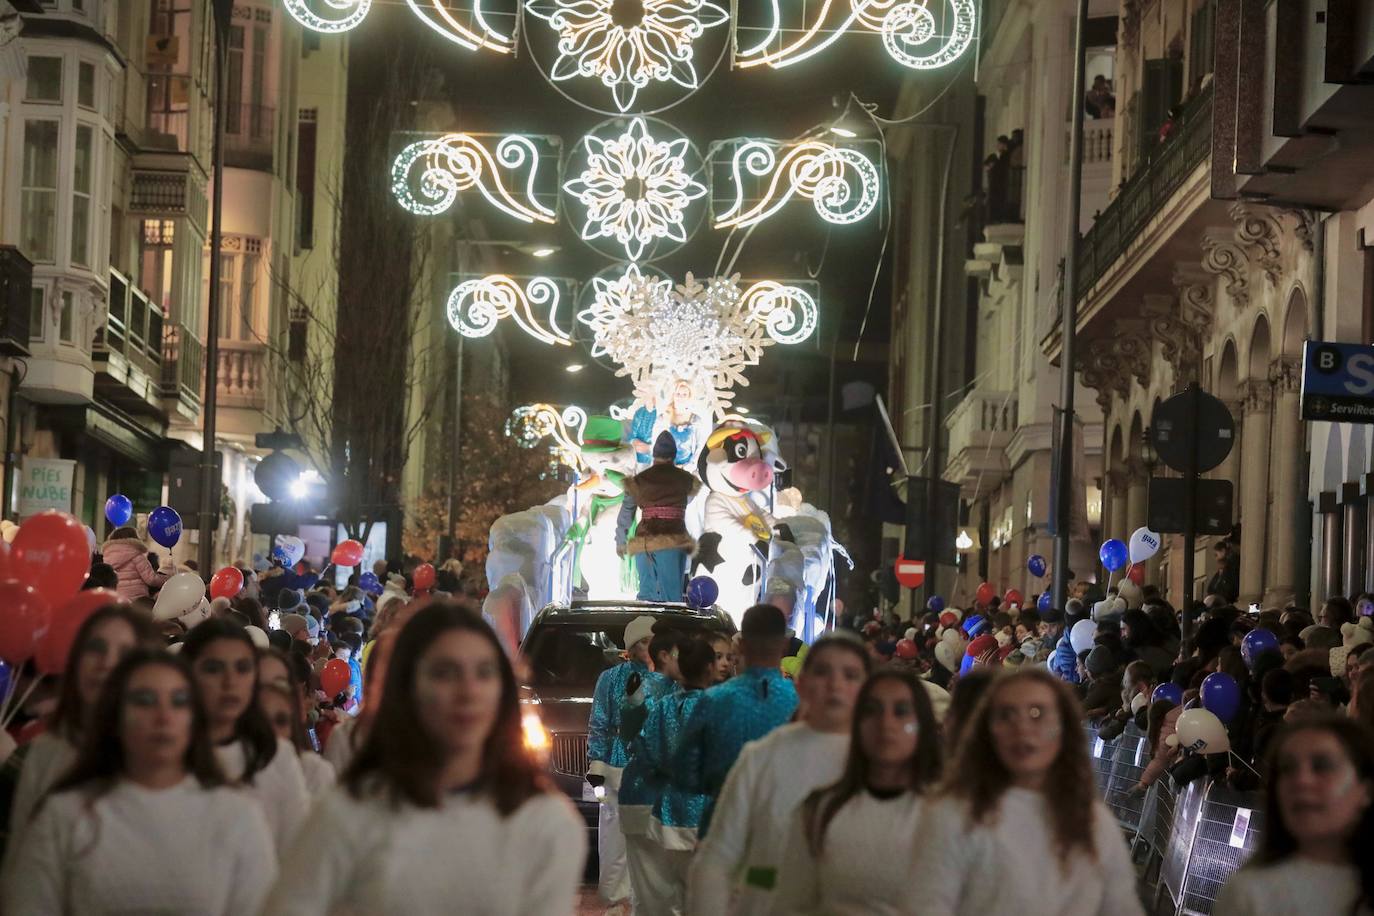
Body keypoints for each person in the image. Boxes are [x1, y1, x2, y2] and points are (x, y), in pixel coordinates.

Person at [262, 601, 585, 914]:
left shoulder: (546, 823)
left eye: (484, 672)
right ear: (407, 686)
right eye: (445, 673)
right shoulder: (351, 813)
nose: (468, 691)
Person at [0, 649, 276, 914]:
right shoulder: (66, 815)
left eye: (179, 701)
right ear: (114, 716)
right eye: (145, 700)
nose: (163, 717)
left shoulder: (237, 815)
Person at [911, 668, 1144, 915]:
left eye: (1037, 715)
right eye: (1007, 716)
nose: (1022, 729)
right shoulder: (948, 813)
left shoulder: (1091, 821)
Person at [685, 630, 866, 916]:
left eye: (850, 675)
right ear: (802, 684)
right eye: (822, 672)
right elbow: (719, 856)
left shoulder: (882, 765)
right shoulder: (762, 758)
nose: (835, 684)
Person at [2, 604, 159, 867]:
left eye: (125, 652)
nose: (107, 662)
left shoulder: (166, 759)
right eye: (96, 648)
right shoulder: (34, 756)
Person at [775, 668, 942, 915]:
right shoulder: (819, 810)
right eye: (872, 711)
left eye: (902, 712)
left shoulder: (951, 814)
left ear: (923, 725)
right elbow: (790, 901)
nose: (887, 723)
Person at [1214, 717, 1374, 915]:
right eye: (1288, 769)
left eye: (1323, 766)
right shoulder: (1248, 894)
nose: (1302, 780)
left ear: (1365, 788)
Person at [180, 619, 309, 854]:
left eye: (242, 668)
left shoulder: (277, 756)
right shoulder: (169, 756)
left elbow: (296, 850)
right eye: (213, 669)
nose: (230, 682)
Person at [623, 638, 716, 914]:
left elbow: (642, 747)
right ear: (710, 668)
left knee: (669, 898)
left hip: (668, 815)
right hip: (708, 819)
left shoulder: (664, 707)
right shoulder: (718, 706)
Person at [586, 613, 658, 910]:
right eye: (644, 641)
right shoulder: (611, 679)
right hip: (618, 768)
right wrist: (597, 765)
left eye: (654, 640)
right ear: (631, 646)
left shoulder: (666, 678)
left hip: (653, 769)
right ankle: (615, 903)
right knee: (615, 842)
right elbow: (599, 722)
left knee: (650, 842)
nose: (650, 646)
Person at [617, 430, 701, 602]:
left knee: (646, 593)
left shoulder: (639, 480)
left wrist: (620, 540)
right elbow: (688, 499)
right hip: (674, 541)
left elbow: (627, 510)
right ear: (674, 456)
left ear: (653, 455)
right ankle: (669, 628)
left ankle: (643, 627)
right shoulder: (686, 480)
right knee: (671, 597)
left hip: (644, 542)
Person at [101, 526, 169, 601]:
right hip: (137, 600)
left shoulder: (106, 558)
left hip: (116, 599)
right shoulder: (137, 556)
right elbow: (151, 579)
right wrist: (167, 580)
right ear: (134, 538)